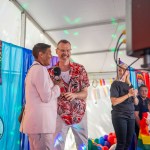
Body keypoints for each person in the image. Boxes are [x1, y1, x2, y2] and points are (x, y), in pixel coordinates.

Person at [48, 39, 90, 150]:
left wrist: (75, 95)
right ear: (56, 51)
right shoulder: (50, 72)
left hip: (79, 114)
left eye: (67, 50)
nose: (65, 53)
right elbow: (48, 95)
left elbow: (85, 93)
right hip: (60, 115)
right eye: (62, 50)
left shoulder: (80, 69)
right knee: (56, 146)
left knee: (83, 146)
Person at [20, 43, 61, 150]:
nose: (51, 56)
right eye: (49, 53)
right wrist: (57, 87)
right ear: (41, 54)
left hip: (36, 125)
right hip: (41, 126)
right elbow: (46, 97)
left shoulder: (33, 69)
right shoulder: (40, 69)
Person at [110, 63, 138, 150]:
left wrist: (135, 96)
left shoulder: (130, 86)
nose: (121, 72)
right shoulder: (115, 84)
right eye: (119, 70)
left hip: (131, 116)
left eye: (124, 70)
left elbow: (136, 103)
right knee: (121, 143)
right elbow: (114, 102)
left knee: (128, 142)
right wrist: (129, 95)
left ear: (128, 72)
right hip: (120, 116)